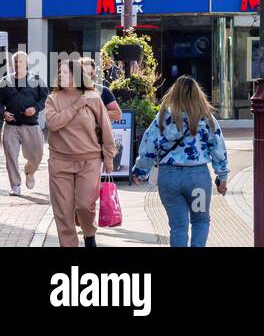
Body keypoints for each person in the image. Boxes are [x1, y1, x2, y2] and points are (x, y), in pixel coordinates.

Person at [129, 75, 229, 247]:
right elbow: (218, 147)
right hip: (198, 177)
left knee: (178, 226)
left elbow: (148, 146)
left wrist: (140, 172)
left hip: (169, 177)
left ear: (173, 94)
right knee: (200, 221)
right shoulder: (206, 118)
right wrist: (222, 176)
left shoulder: (162, 118)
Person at [44, 58, 115, 248]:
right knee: (63, 212)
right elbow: (52, 124)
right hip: (59, 162)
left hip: (89, 160)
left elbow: (106, 128)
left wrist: (108, 156)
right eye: (59, 72)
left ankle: (89, 234)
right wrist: (76, 106)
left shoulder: (93, 97)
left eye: (65, 72)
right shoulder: (53, 99)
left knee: (85, 205)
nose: (60, 75)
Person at [0, 51, 47, 196]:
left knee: (37, 155)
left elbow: (45, 97)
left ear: (26, 63)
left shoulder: (37, 80)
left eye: (20, 61)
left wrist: (35, 108)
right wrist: (3, 113)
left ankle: (30, 171)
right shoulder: (5, 81)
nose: (17, 64)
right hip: (11, 126)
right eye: (15, 61)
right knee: (11, 157)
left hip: (31, 125)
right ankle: (15, 185)